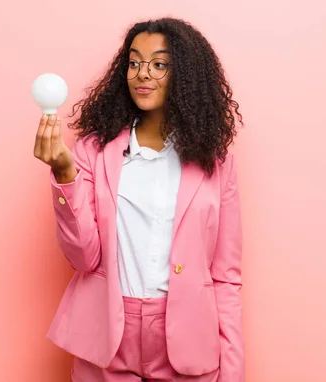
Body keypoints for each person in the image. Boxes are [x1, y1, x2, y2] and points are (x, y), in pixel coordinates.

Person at [34, 17, 244, 382]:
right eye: (134, 62)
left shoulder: (216, 162)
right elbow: (84, 257)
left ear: (186, 75)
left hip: (188, 340)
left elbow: (225, 277)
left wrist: (234, 371)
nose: (142, 74)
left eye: (159, 64)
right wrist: (66, 173)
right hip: (107, 339)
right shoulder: (92, 151)